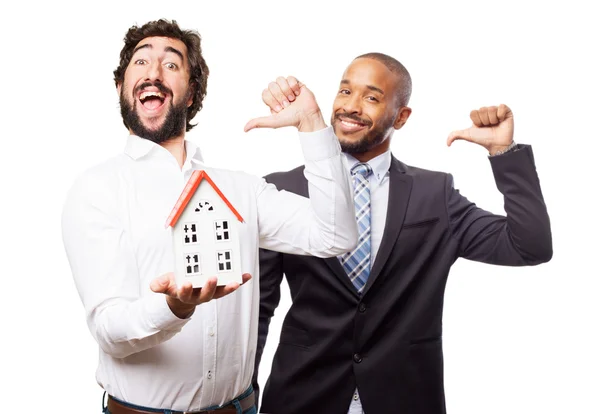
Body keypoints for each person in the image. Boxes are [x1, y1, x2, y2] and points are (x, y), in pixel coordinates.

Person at [61, 19, 358, 414]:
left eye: (171, 64)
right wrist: (174, 308)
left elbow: (334, 235)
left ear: (191, 93)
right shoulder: (96, 189)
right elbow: (109, 331)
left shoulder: (241, 190)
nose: (153, 72)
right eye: (141, 62)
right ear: (121, 88)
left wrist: (311, 123)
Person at [253, 53, 553, 414]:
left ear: (401, 116)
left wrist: (503, 152)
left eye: (371, 97)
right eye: (345, 91)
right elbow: (257, 310)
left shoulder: (435, 194)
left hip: (405, 398)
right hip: (301, 398)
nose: (350, 106)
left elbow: (530, 246)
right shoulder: (283, 190)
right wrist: (242, 396)